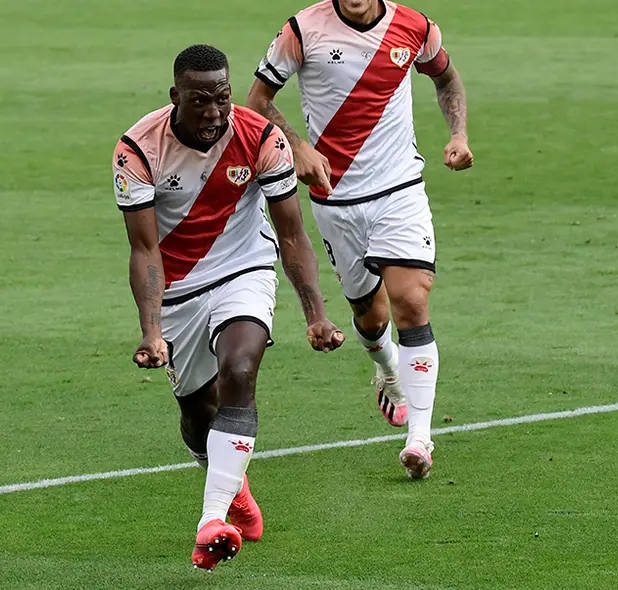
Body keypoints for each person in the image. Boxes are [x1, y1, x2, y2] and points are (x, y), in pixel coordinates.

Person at [112, 44, 345, 570]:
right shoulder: (137, 149)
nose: (215, 111)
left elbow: (292, 234)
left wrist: (316, 314)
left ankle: (211, 520)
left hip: (245, 267)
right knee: (198, 414)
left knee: (239, 368)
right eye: (200, 101)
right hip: (177, 289)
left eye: (222, 96)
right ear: (176, 97)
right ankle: (231, 486)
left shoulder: (261, 137)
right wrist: (151, 331)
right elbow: (144, 250)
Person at [245, 0, 473, 479]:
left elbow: (445, 77)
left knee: (411, 299)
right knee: (371, 317)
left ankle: (420, 439)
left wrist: (458, 134)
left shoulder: (415, 27)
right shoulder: (302, 30)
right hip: (335, 198)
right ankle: (387, 369)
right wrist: (298, 145)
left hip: (399, 189)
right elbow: (258, 102)